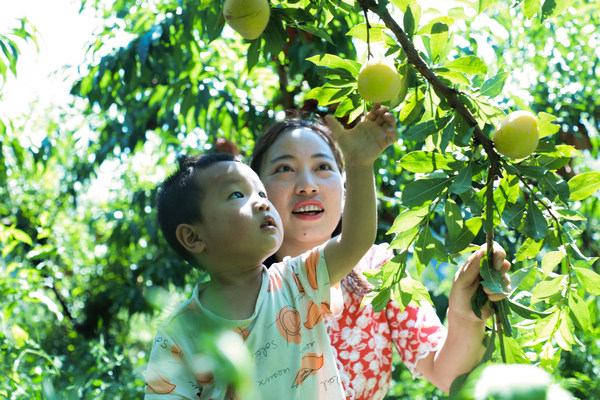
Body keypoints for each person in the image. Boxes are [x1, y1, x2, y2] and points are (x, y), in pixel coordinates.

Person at [249, 105, 512, 399]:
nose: (307, 186)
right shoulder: (242, 287)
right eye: (284, 168)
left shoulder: (379, 270)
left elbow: (447, 375)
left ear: (346, 189)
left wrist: (465, 314)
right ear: (258, 194)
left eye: (323, 167)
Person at [144, 105, 398, 399]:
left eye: (261, 193)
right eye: (237, 194)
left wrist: (360, 165)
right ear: (193, 236)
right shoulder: (179, 336)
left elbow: (357, 239)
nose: (263, 203)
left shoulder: (297, 281)